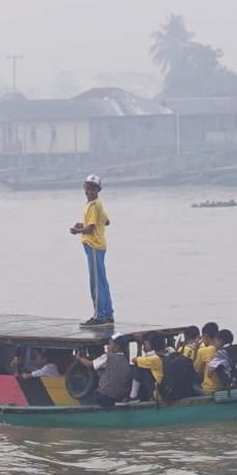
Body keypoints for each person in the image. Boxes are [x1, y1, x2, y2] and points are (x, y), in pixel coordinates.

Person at [69, 174, 114, 327]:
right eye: (88, 188)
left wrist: (77, 230)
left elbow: (91, 227)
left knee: (95, 282)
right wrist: (84, 224)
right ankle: (108, 314)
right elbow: (106, 221)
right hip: (99, 245)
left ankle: (99, 316)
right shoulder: (96, 205)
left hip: (94, 245)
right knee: (102, 281)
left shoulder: (94, 205)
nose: (89, 191)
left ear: (98, 190)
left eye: (92, 188)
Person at [72, 334, 132, 408]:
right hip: (120, 397)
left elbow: (90, 364)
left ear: (117, 347)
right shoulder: (126, 360)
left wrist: (79, 359)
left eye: (110, 344)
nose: (107, 346)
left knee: (82, 389)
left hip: (105, 396)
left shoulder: (108, 357)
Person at [129, 333, 170, 401]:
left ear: (151, 345)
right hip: (167, 389)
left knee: (139, 368)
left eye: (145, 344)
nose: (144, 346)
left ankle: (133, 396)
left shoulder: (153, 359)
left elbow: (134, 360)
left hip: (160, 393)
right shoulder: (169, 353)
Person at [193, 322, 220, 392]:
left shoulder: (203, 351)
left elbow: (196, 371)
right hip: (222, 387)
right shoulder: (222, 349)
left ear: (206, 336)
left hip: (208, 389)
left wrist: (196, 348)